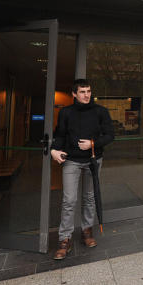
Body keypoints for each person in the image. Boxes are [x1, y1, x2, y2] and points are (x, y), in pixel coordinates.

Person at [50, 79, 114, 260]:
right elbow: (60, 135)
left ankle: (87, 231)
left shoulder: (101, 111)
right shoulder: (66, 113)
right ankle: (64, 239)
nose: (87, 95)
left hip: (93, 161)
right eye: (83, 92)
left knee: (89, 198)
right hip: (71, 161)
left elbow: (110, 135)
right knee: (69, 200)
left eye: (89, 91)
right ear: (74, 94)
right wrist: (54, 150)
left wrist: (93, 143)